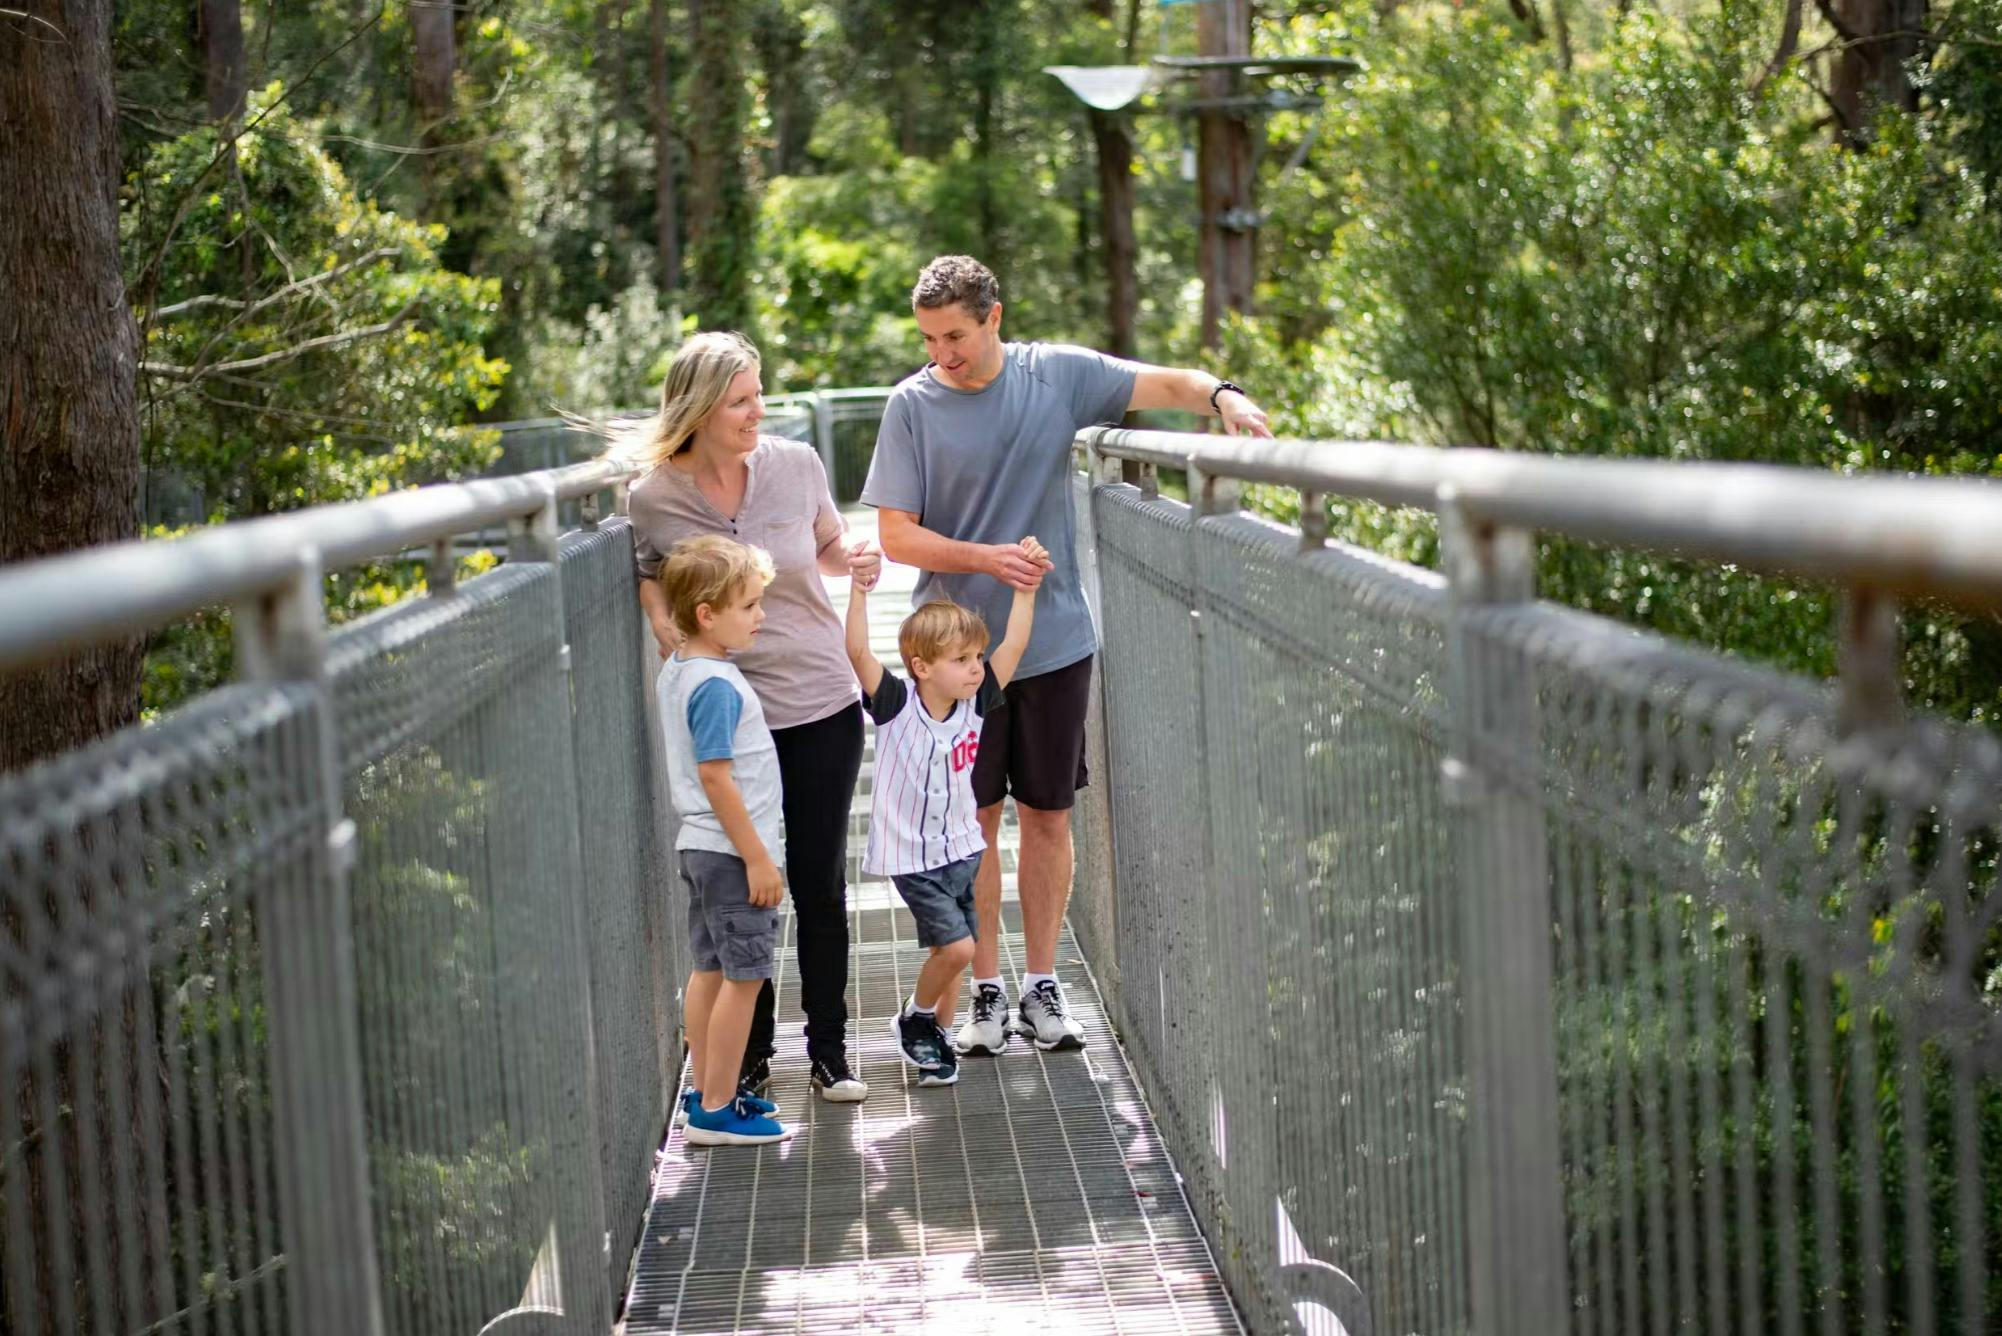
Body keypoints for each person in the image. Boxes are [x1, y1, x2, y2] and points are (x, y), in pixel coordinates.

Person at [861, 255, 1273, 1056]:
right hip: (952, 659)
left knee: (1048, 816)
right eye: (929, 339)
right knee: (968, 826)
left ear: (995, 320)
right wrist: (987, 560)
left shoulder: (1058, 377)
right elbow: (895, 534)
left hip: (1051, 642)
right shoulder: (911, 404)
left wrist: (1224, 396)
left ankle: (1041, 986)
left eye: (955, 336)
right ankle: (985, 988)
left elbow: (1174, 384)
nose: (941, 354)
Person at [629, 331, 876, 1104]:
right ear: (700, 410)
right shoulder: (653, 497)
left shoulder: (797, 466)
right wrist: (666, 630)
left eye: (759, 395)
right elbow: (647, 575)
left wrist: (856, 561)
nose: (757, 412)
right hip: (730, 716)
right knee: (743, 886)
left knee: (817, 881)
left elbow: (828, 547)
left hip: (817, 700)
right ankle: (752, 1056)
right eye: (741, 400)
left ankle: (831, 1051)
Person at [843, 541, 1046, 1086]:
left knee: (947, 949)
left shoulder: (975, 704)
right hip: (913, 855)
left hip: (962, 847)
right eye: (961, 661)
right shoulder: (895, 704)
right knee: (960, 947)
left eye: (976, 658)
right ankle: (915, 1018)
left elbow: (1016, 644)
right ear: (921, 667)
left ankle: (936, 1040)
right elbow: (857, 652)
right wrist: (859, 592)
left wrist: (1025, 591)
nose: (976, 669)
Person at [656, 536, 792, 1146]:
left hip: (703, 849)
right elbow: (716, 775)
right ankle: (716, 1107)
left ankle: (704, 1092)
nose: (760, 615)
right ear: (707, 615)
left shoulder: (681, 668)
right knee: (745, 977)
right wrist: (758, 857)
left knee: (709, 969)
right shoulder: (715, 684)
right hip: (733, 853)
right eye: (749, 605)